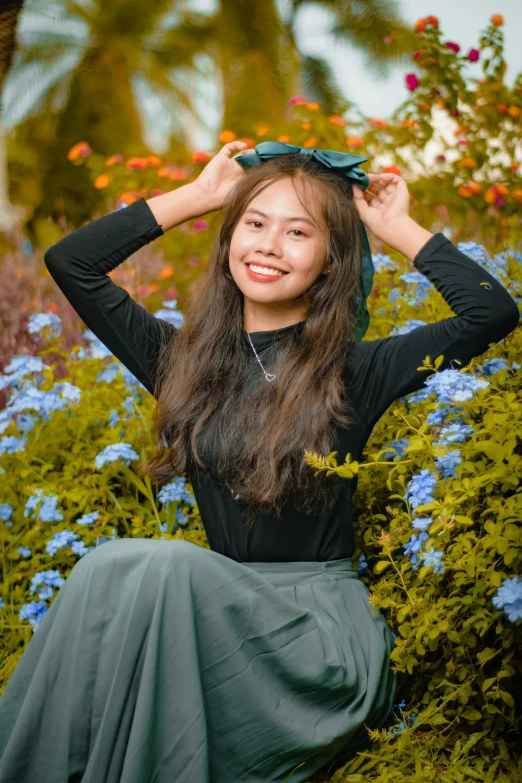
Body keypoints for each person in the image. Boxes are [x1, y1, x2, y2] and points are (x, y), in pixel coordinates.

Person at [0, 141, 519, 783]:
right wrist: (199, 196)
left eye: (299, 232)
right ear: (228, 243)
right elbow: (70, 262)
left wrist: (394, 227)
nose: (270, 245)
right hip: (214, 621)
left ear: (331, 262)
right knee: (109, 568)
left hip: (315, 639)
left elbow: (492, 312)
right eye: (254, 223)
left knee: (164, 567)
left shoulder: (356, 369)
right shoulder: (184, 364)